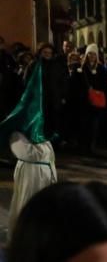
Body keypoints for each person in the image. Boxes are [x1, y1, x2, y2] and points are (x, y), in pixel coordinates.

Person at [0, 62, 56, 231]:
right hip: (31, 173)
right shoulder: (17, 133)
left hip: (44, 172)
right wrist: (45, 148)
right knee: (28, 203)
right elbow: (29, 154)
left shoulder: (43, 134)